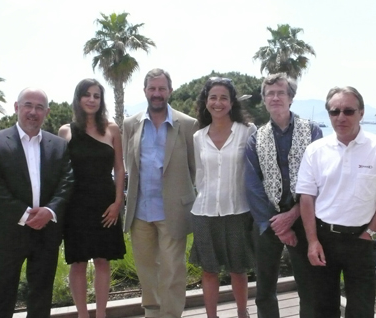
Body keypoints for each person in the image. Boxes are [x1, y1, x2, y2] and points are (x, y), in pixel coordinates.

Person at [296, 86, 376, 318]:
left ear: (361, 113)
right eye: (334, 112)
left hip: (361, 240)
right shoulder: (315, 150)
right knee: (323, 307)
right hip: (324, 238)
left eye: (348, 111)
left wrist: (370, 234)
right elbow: (306, 197)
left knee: (361, 309)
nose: (341, 117)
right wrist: (312, 241)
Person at [0, 87, 74, 318]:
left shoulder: (58, 145)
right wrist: (25, 215)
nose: (33, 112)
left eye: (39, 107)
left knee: (41, 296)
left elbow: (67, 181)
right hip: (7, 232)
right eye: (28, 105)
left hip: (46, 232)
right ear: (16, 108)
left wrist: (50, 211)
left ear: (47, 112)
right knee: (0, 296)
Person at [245, 73, 322, 318]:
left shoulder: (312, 132)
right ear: (264, 100)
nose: (275, 97)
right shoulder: (256, 138)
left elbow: (322, 180)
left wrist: (293, 215)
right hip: (268, 223)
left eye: (281, 93)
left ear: (291, 98)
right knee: (264, 288)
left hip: (305, 219)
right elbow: (252, 185)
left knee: (308, 286)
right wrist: (278, 225)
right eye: (270, 94)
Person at [122, 68, 198, 318]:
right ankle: (153, 315)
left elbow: (193, 167)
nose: (157, 93)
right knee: (146, 272)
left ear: (170, 91)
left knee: (172, 271)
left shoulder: (187, 124)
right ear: (145, 91)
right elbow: (128, 164)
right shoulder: (130, 124)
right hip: (140, 211)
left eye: (161, 89)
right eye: (152, 88)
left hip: (173, 210)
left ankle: (171, 315)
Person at [58, 78, 126, 318]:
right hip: (75, 205)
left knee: (102, 260)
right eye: (87, 94)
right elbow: (60, 172)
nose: (92, 99)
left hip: (106, 203)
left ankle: (100, 314)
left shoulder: (112, 129)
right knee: (77, 262)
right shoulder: (65, 131)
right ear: (78, 98)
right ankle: (82, 315)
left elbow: (119, 168)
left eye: (96, 96)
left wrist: (118, 203)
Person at [190, 77, 256, 318]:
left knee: (238, 269)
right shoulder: (198, 137)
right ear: (206, 102)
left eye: (223, 98)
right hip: (204, 213)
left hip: (238, 212)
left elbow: (253, 172)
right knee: (209, 271)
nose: (218, 103)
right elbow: (199, 174)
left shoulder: (247, 131)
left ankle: (242, 313)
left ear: (232, 102)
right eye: (213, 97)